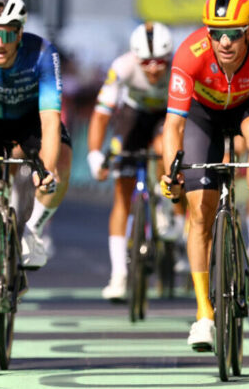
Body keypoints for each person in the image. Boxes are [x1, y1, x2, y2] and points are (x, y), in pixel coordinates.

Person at [159, 0, 249, 351]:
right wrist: (172, 173)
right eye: (217, 33)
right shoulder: (189, 54)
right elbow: (173, 125)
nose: (225, 41)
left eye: (234, 32)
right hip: (204, 116)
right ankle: (203, 315)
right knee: (199, 212)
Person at [87, 21, 185, 301]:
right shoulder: (122, 66)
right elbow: (102, 114)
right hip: (134, 115)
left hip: (168, 116)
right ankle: (118, 275)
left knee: (164, 146)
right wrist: (95, 154)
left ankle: (166, 202)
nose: (153, 69)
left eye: (160, 62)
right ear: (135, 58)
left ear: (169, 58)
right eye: (146, 62)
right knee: (122, 194)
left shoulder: (180, 68)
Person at [0, 0, 71, 272]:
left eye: (7, 36)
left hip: (29, 119)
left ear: (20, 34)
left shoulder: (43, 54)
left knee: (62, 160)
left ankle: (32, 229)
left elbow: (51, 119)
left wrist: (48, 168)